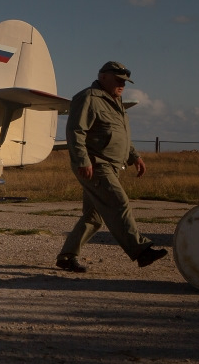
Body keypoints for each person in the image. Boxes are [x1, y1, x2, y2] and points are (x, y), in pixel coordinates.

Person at [56, 62, 167, 273]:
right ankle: (141, 251)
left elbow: (121, 133)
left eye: (124, 82)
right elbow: (75, 131)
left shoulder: (115, 102)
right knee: (119, 203)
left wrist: (135, 157)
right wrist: (83, 161)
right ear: (103, 76)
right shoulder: (88, 97)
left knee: (94, 217)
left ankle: (67, 256)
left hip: (113, 165)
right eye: (118, 80)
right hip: (96, 164)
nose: (122, 85)